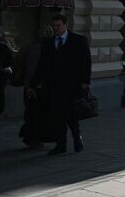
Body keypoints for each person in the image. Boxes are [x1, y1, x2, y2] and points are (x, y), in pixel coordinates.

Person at [34, 15, 92, 155]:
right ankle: (61, 145)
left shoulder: (78, 40)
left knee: (71, 115)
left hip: (72, 86)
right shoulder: (48, 43)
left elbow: (86, 62)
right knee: (56, 116)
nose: (55, 28)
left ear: (66, 25)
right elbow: (42, 65)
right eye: (54, 26)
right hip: (53, 86)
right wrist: (34, 83)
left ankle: (77, 139)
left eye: (58, 25)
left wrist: (85, 82)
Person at [15, 26, 51, 149]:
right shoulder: (46, 49)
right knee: (39, 114)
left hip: (29, 86)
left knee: (30, 113)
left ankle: (30, 137)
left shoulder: (28, 47)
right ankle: (34, 138)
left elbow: (19, 62)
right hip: (39, 87)